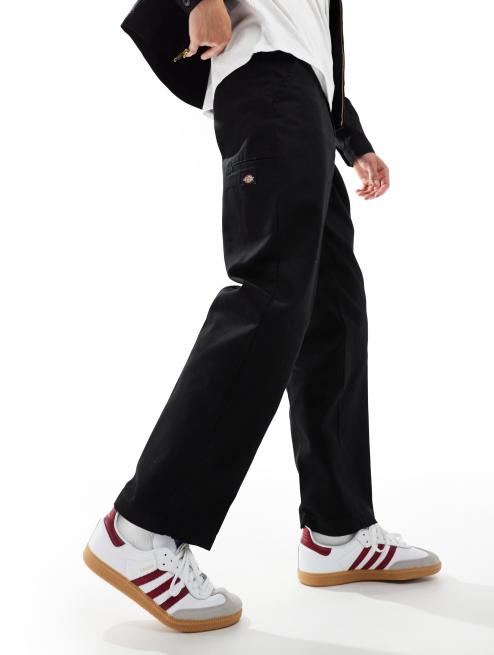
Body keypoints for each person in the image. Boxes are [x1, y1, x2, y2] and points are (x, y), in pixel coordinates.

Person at [84, 0, 441, 633]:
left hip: (304, 96)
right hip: (267, 79)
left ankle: (338, 532)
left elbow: (310, 37)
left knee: (333, 311)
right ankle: (141, 528)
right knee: (270, 294)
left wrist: (351, 140)